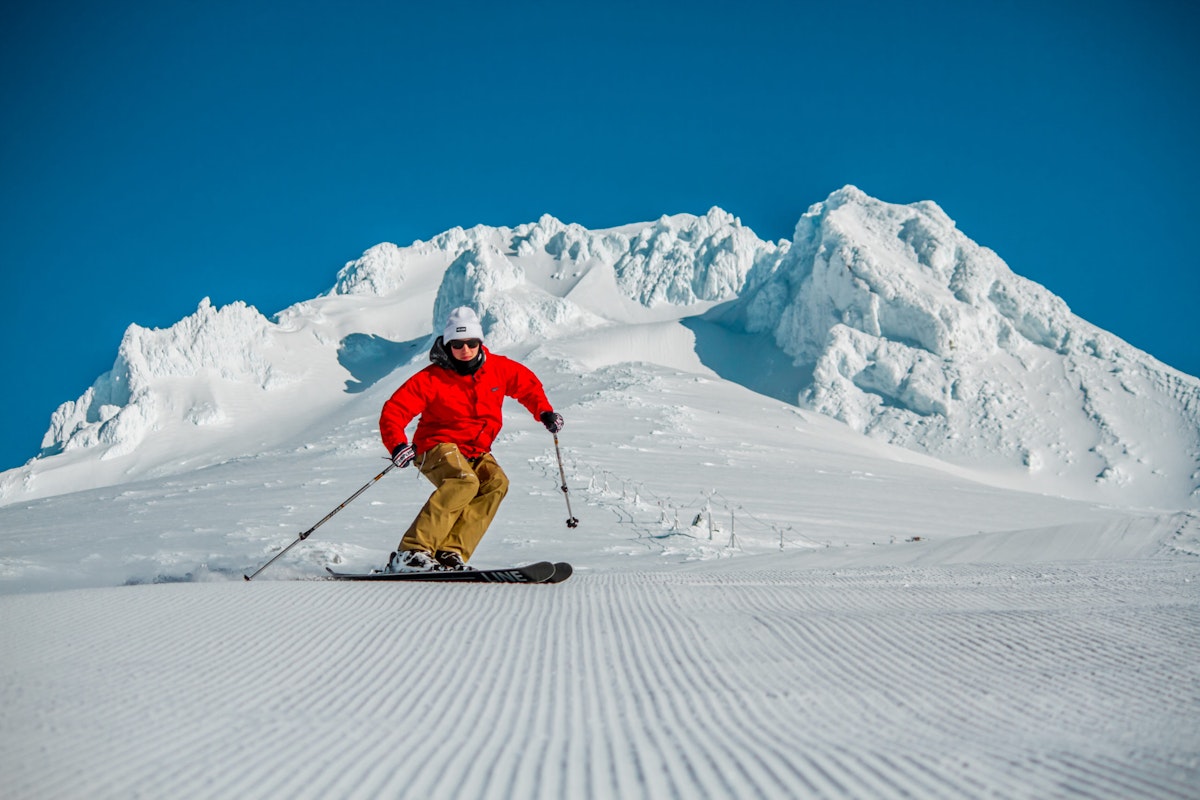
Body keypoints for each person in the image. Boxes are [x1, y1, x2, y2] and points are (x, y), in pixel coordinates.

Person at [378, 306, 564, 572]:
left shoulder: (498, 368)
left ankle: (449, 552)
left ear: (480, 342)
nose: (465, 349)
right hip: (435, 445)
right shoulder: (431, 378)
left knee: (496, 483)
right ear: (447, 345)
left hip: (475, 449)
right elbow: (394, 410)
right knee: (463, 481)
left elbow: (527, 386)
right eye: (457, 344)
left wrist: (544, 412)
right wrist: (397, 444)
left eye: (471, 343)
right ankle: (411, 553)